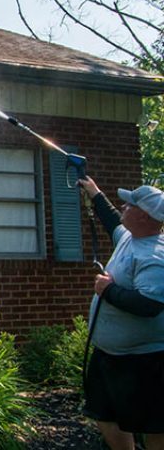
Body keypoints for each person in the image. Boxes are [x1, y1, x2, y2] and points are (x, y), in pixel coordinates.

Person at [78, 177, 164, 450]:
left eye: (130, 204)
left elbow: (149, 306)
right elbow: (112, 220)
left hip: (145, 361)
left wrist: (108, 290)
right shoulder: (129, 236)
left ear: (144, 216)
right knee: (103, 416)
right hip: (109, 355)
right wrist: (94, 192)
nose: (123, 206)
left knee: (155, 427)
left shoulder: (154, 256)